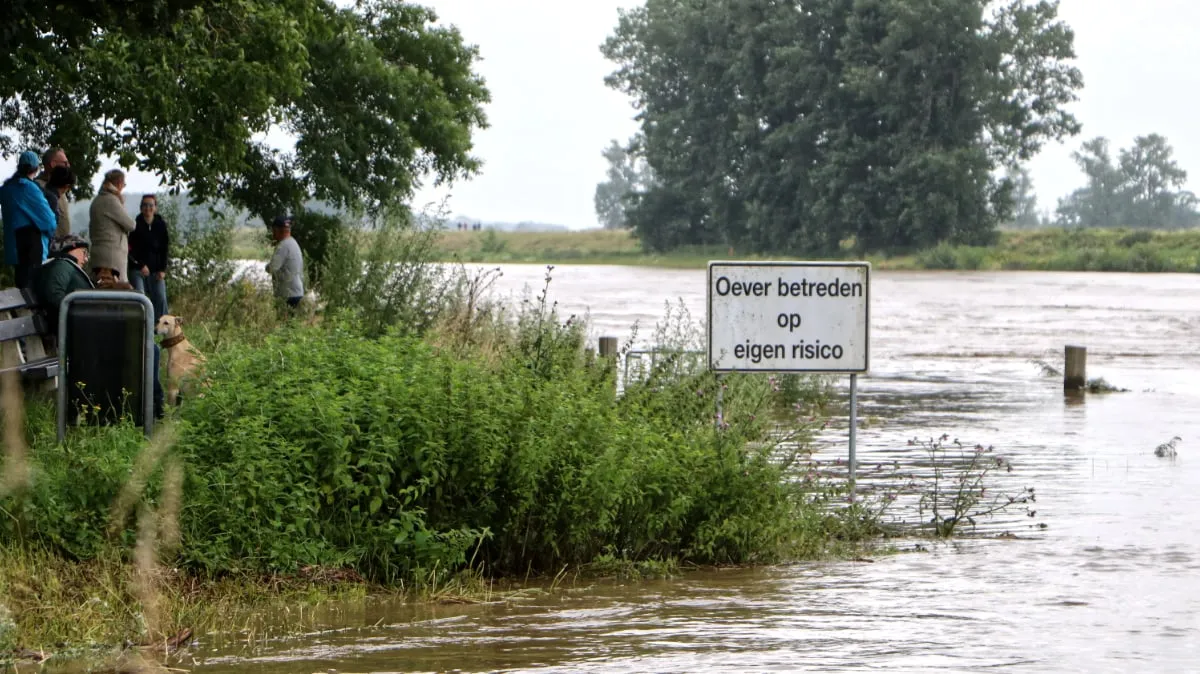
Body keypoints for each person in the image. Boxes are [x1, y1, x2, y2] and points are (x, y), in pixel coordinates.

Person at [35, 234, 164, 419]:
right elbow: (55, 295)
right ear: (71, 249)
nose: (86, 258)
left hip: (86, 330)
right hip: (83, 333)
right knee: (150, 349)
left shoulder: (67, 267)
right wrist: (84, 312)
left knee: (151, 348)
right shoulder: (62, 264)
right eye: (83, 252)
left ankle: (148, 406)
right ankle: (151, 408)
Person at [0, 151, 57, 288]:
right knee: (31, 290)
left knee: (21, 285)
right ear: (36, 169)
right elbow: (48, 221)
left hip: (14, 248)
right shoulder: (29, 188)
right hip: (31, 248)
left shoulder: (6, 189)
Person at [87, 169, 136, 288]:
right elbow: (131, 225)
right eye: (123, 184)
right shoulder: (111, 200)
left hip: (98, 253)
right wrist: (120, 199)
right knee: (114, 289)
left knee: (100, 286)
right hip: (112, 256)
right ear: (119, 183)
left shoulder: (97, 200)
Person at [128, 194, 170, 320]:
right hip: (138, 269)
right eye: (145, 205)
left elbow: (165, 248)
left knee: (161, 297)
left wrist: (163, 269)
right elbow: (130, 250)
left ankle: (161, 326)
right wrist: (140, 265)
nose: (148, 208)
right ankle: (141, 325)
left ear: (155, 208)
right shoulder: (135, 226)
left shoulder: (161, 226)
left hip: (156, 270)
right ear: (141, 208)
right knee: (140, 298)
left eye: (151, 205)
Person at [266, 214, 304, 309]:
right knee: (292, 323)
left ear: (277, 230)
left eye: (273, 230)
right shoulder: (293, 243)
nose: (273, 234)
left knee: (284, 322)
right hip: (297, 292)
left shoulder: (282, 246)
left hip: (287, 294)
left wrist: (266, 266)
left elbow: (272, 268)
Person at [34, 147, 71, 236]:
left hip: (61, 245)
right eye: (65, 163)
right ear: (53, 164)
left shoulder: (60, 187)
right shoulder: (37, 187)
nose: (68, 166)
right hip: (48, 245)